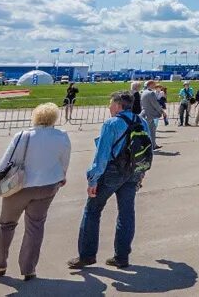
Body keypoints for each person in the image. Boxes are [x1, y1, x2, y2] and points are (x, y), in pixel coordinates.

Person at [0, 102, 71, 280]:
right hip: (47, 186)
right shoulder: (62, 136)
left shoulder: (23, 136)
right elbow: (64, 161)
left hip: (20, 187)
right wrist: (61, 176)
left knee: (6, 225)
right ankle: (28, 268)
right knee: (35, 226)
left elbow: (6, 162)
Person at [70, 92, 150, 270]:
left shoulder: (111, 123)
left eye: (110, 104)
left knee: (92, 210)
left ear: (118, 105)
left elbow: (102, 156)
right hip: (132, 172)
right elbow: (147, 148)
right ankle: (122, 256)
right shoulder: (141, 121)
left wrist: (93, 180)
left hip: (112, 172)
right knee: (126, 213)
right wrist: (141, 174)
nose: (108, 107)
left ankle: (87, 255)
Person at [140, 81, 164, 150]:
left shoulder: (143, 92)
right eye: (154, 84)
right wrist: (162, 111)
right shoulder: (151, 93)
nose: (155, 85)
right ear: (150, 85)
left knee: (151, 129)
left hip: (144, 114)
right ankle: (150, 145)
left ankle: (153, 145)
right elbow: (155, 104)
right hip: (149, 114)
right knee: (150, 131)